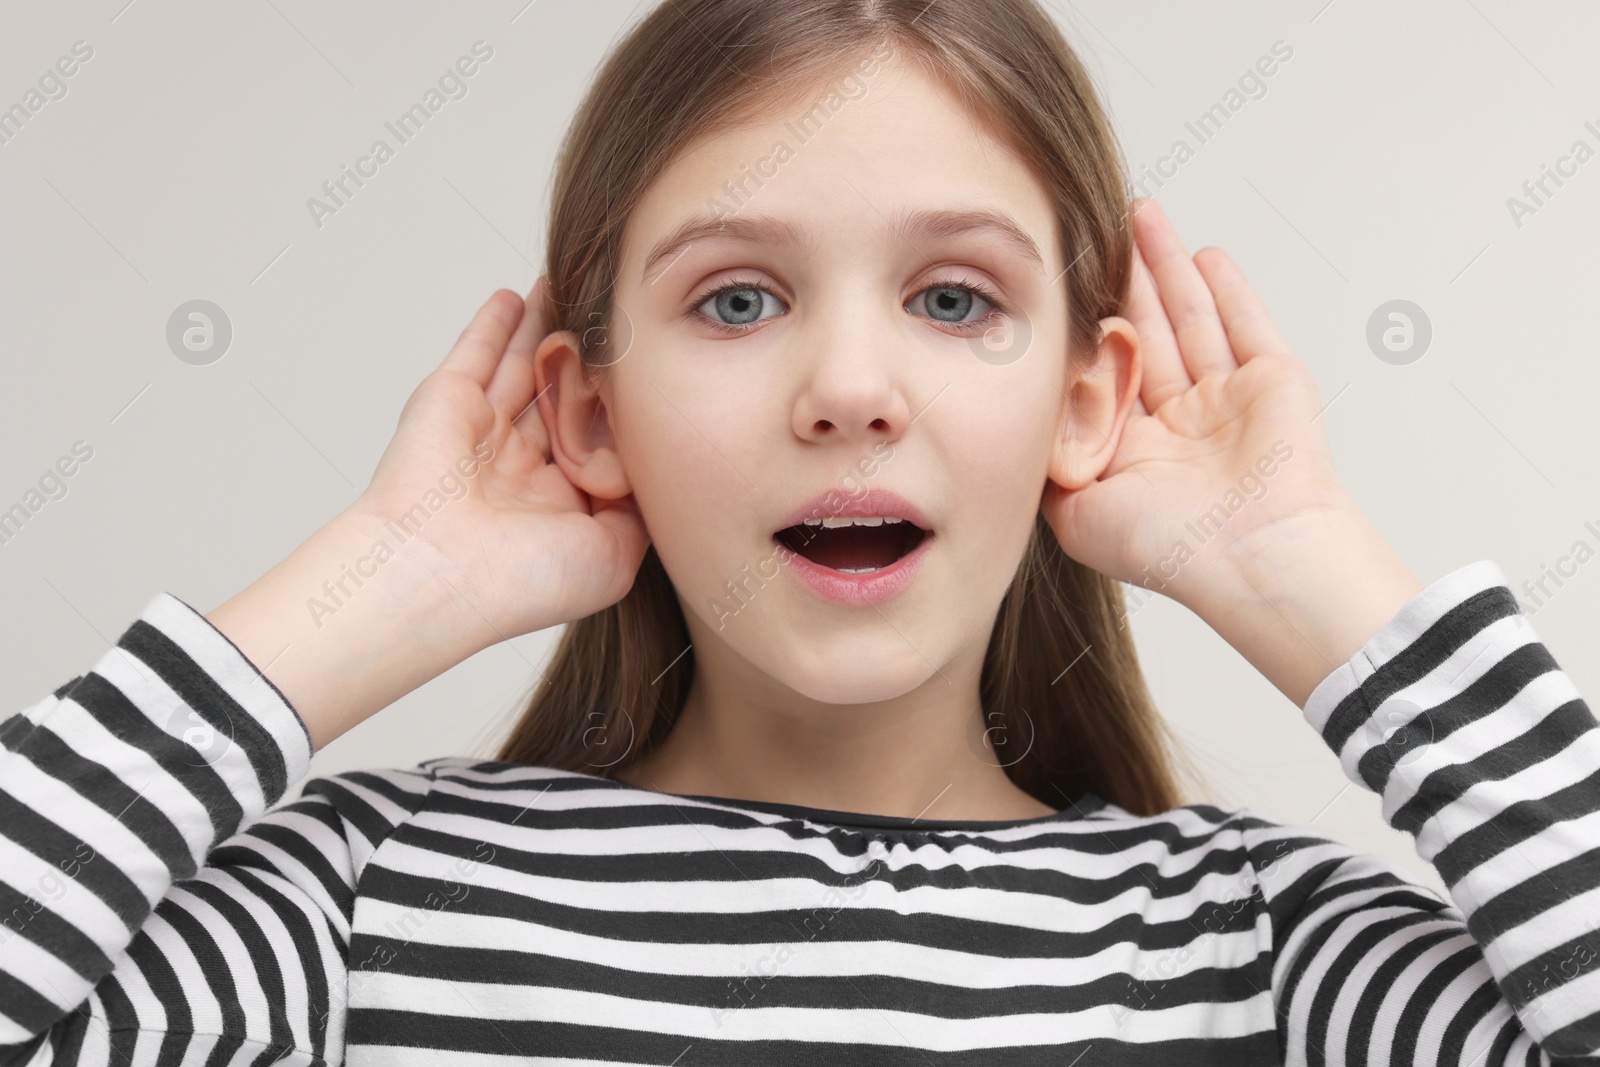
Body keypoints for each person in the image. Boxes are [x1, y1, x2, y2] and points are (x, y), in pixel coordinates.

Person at [3, 0, 1596, 1062]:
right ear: (592, 411)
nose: (847, 388)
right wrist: (382, 582)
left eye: (955, 298)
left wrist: (1297, 566)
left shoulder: (1265, 950)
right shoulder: (355, 907)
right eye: (739, 299)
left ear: (1086, 398)